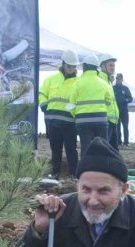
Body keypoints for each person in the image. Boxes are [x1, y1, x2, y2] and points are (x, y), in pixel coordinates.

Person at [39, 50, 80, 180]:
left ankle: (74, 173)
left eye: (74, 66)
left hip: (70, 122)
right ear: (63, 64)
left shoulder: (79, 82)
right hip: (52, 121)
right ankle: (55, 173)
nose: (72, 69)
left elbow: (80, 99)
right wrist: (43, 105)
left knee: (71, 149)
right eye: (69, 66)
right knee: (55, 149)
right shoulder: (51, 80)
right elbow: (42, 93)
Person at [70, 55, 113, 157]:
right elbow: (109, 100)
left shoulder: (77, 83)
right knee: (103, 148)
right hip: (100, 119)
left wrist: (75, 115)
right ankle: (103, 170)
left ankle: (86, 170)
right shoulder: (103, 83)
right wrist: (101, 110)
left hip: (82, 121)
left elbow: (71, 104)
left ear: (84, 67)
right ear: (96, 68)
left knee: (85, 148)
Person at [98, 54, 120, 150]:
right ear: (103, 66)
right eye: (110, 65)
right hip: (105, 120)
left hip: (113, 120)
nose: (112, 67)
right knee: (105, 149)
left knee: (114, 149)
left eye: (113, 65)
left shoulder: (109, 81)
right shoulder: (100, 80)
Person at [113, 74, 132, 146]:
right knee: (117, 127)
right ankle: (118, 141)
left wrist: (125, 100)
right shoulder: (113, 88)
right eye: (117, 78)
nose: (118, 80)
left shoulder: (125, 88)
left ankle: (126, 142)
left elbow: (130, 98)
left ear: (122, 79)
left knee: (125, 126)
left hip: (124, 110)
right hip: (116, 110)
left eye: (119, 79)